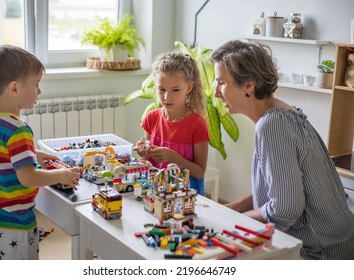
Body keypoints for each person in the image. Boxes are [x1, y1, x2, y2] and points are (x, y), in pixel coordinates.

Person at [211, 40, 354, 260]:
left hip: (320, 253)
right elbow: (282, 185)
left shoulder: (271, 126)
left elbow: (284, 210)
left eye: (221, 83)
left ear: (248, 85)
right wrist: (237, 206)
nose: (215, 93)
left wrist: (234, 222)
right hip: (337, 241)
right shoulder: (284, 112)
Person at [0, 45, 81, 260]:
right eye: (36, 84)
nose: (39, 91)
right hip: (13, 221)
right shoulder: (18, 129)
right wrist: (62, 175)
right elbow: (28, 177)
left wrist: (34, 155)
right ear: (14, 89)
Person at [133, 52, 209, 195]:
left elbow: (199, 172)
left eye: (175, 90)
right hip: (156, 193)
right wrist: (144, 152)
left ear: (189, 87)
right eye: (162, 90)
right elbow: (146, 163)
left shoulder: (197, 125)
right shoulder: (151, 118)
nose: (167, 97)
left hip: (186, 197)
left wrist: (174, 158)